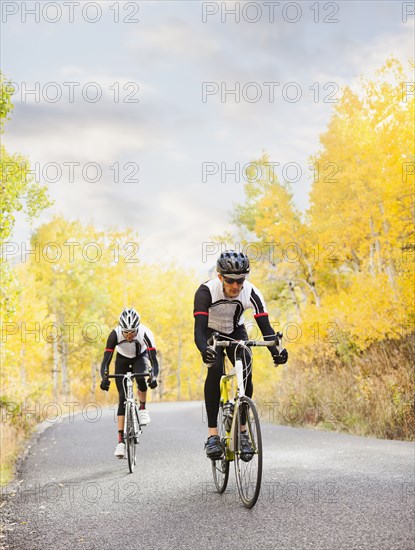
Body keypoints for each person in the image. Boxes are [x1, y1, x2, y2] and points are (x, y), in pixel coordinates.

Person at [193, 250, 288, 460]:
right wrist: (204, 350)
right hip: (211, 332)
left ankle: (243, 432)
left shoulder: (251, 292)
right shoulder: (205, 292)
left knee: (246, 371)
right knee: (215, 369)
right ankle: (212, 436)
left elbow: (266, 328)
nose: (235, 286)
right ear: (220, 277)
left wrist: (276, 351)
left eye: (240, 280)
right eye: (230, 280)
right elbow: (198, 331)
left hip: (236, 330)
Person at [100, 307, 159, 458]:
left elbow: (154, 361)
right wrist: (104, 377)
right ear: (121, 328)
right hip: (122, 359)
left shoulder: (145, 333)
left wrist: (154, 376)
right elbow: (106, 361)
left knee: (141, 377)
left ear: (137, 328)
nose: (129, 335)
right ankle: (120, 442)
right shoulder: (114, 334)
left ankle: (143, 408)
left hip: (141, 356)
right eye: (126, 332)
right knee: (122, 398)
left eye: (132, 332)